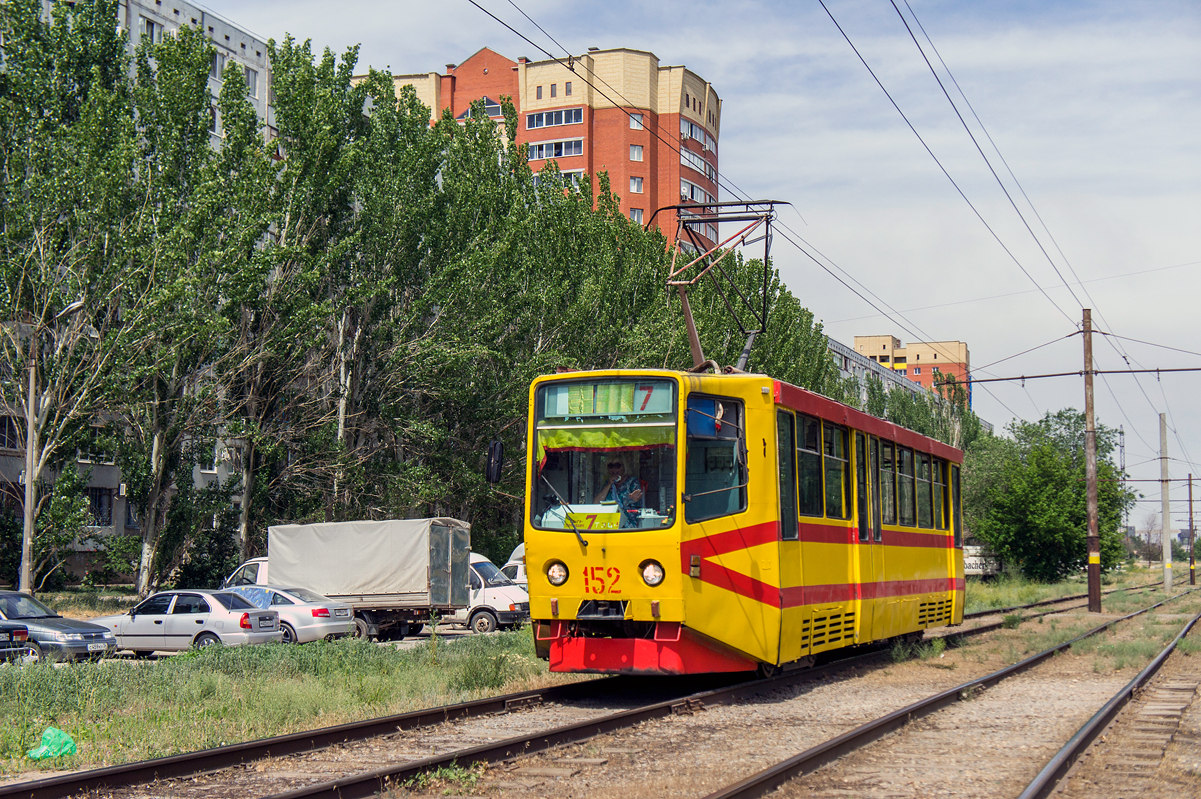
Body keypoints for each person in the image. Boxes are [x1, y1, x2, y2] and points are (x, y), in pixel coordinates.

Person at [595, 460, 644, 527]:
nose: (614, 470)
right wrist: (609, 484)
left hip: (628, 523)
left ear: (624, 467)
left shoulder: (632, 482)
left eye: (617, 466)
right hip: (609, 522)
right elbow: (596, 503)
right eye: (611, 466)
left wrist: (630, 499)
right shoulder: (607, 484)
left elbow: (636, 501)